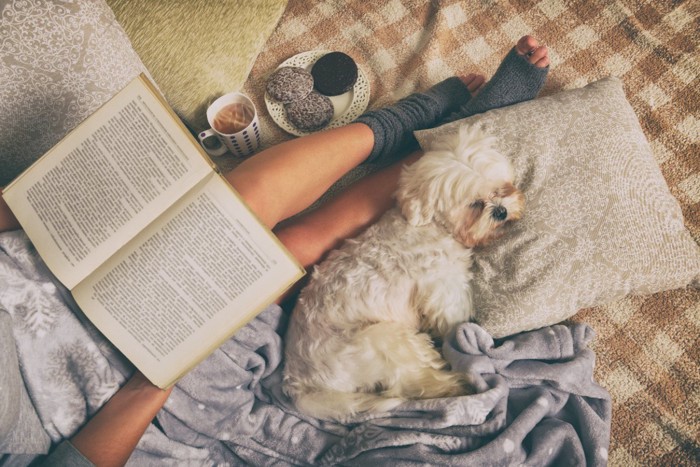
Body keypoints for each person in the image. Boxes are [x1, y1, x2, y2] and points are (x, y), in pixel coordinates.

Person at [0, 36, 549, 465]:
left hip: (38, 269)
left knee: (229, 199)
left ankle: (401, 127)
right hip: (115, 390)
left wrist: (37, 206)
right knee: (282, 246)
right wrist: (154, 382)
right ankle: (444, 144)